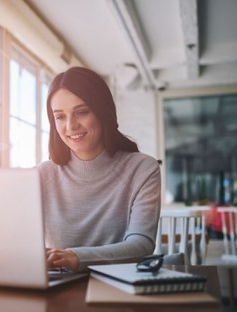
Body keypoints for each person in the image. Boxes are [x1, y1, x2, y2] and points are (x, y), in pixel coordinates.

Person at [38, 66, 161, 272]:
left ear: (103, 112)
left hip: (118, 286)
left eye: (81, 112)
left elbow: (141, 245)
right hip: (58, 287)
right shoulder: (41, 175)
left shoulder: (142, 169)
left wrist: (75, 257)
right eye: (60, 116)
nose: (70, 125)